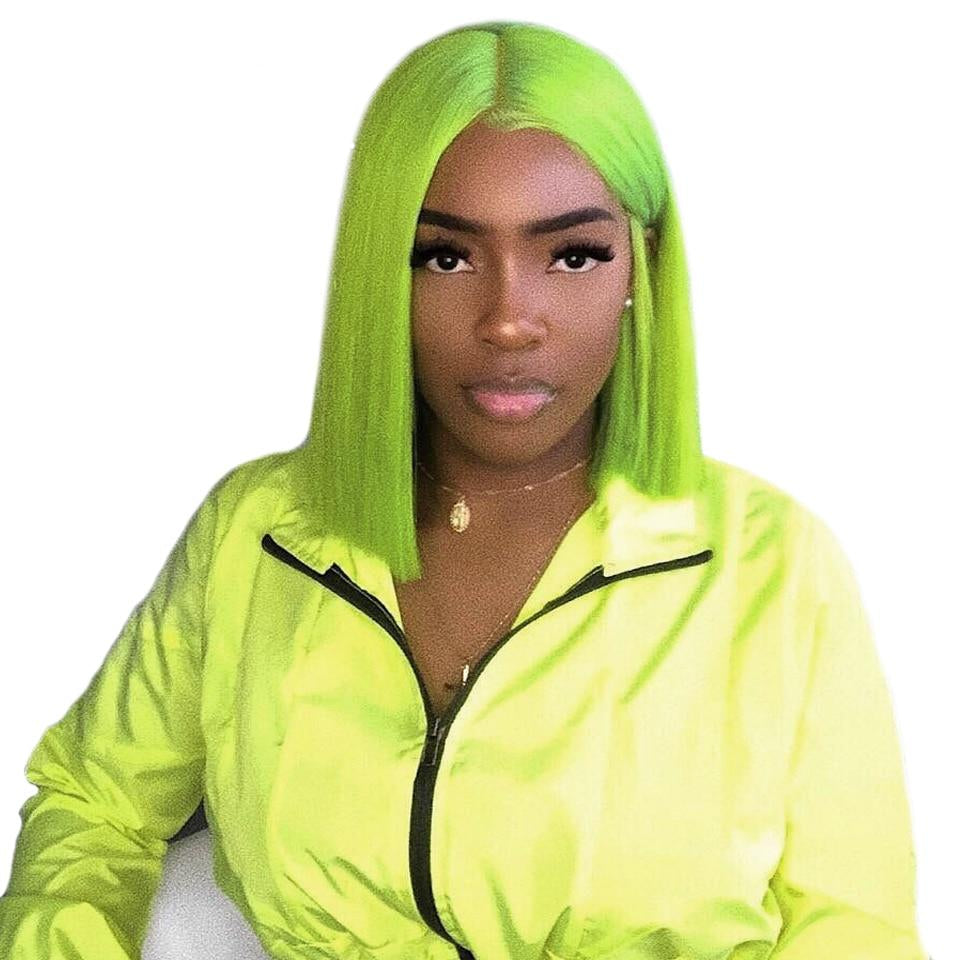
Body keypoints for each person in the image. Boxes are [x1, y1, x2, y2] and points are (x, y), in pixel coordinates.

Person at [0, 19, 928, 960]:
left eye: (572, 255)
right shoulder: (259, 532)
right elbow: (93, 803)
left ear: (641, 267)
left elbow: (854, 929)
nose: (509, 321)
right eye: (445, 255)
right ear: (380, 272)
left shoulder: (772, 566)